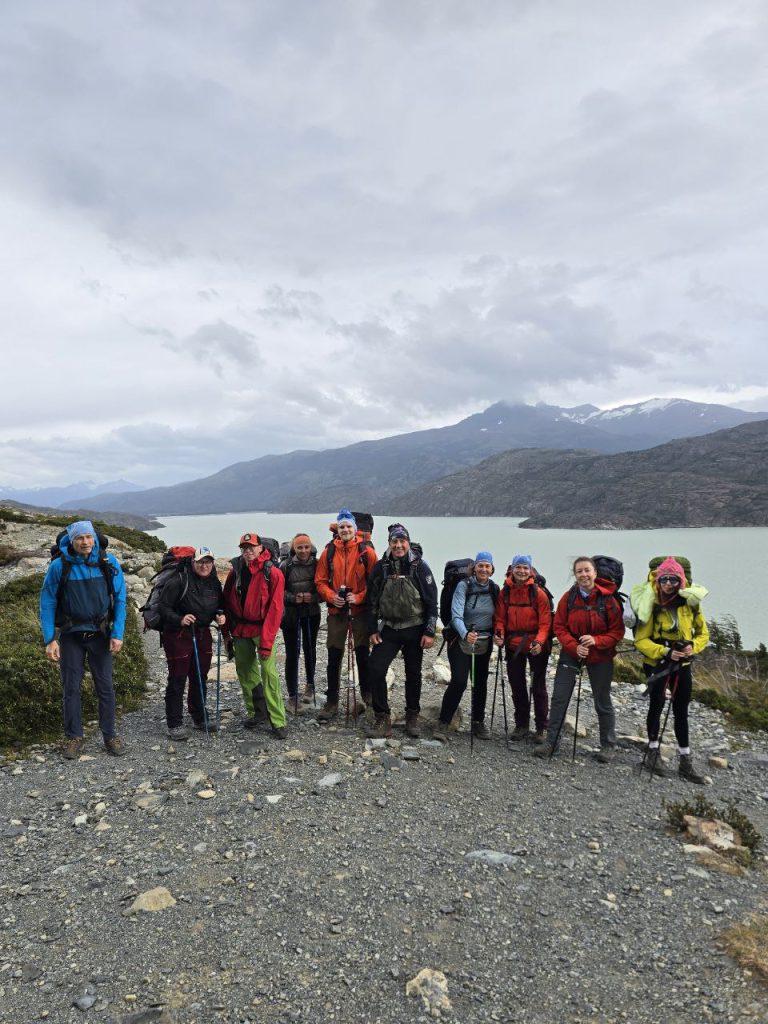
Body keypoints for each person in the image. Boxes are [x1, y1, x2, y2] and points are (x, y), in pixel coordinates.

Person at [39, 520, 128, 759]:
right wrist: (50, 639)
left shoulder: (108, 562)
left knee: (105, 687)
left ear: (95, 538)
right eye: (80, 538)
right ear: (72, 541)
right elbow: (47, 602)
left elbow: (120, 598)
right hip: (71, 636)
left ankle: (110, 735)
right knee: (71, 688)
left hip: (100, 634)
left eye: (89, 537)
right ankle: (73, 737)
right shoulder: (59, 566)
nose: (85, 542)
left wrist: (117, 633)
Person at [534, 556, 624, 763]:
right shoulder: (569, 598)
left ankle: (608, 745)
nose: (584, 575)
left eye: (587, 570)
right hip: (572, 652)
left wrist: (596, 641)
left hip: (600, 655)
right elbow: (559, 626)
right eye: (579, 571)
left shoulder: (608, 599)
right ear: (574, 575)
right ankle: (551, 743)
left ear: (595, 573)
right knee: (560, 697)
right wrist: (574, 647)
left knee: (602, 700)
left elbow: (617, 632)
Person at [634, 557, 709, 783]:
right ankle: (652, 753)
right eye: (664, 579)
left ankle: (685, 760)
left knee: (681, 711)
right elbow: (640, 640)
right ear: (658, 580)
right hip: (658, 664)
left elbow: (703, 633)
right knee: (656, 705)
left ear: (681, 581)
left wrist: (692, 646)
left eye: (673, 580)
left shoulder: (690, 603)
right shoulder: (652, 604)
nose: (668, 584)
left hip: (682, 665)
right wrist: (665, 652)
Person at [365, 523, 438, 738]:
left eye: (402, 541)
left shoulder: (420, 567)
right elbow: (372, 601)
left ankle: (412, 716)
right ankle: (382, 717)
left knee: (413, 673)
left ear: (408, 542)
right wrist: (372, 629)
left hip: (415, 628)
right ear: (389, 543)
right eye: (394, 541)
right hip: (389, 628)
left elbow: (432, 602)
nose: (398, 545)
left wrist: (429, 632)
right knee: (375, 668)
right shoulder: (381, 567)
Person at [223, 532, 287, 739]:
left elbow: (275, 610)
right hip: (241, 629)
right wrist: (226, 633)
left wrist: (267, 642)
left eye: (251, 547)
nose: (248, 551)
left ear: (261, 548)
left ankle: (278, 720)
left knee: (269, 673)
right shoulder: (236, 571)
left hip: (262, 630)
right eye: (244, 548)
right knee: (245, 671)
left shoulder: (273, 573)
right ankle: (257, 712)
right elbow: (226, 602)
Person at [314, 510, 377, 721]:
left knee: (363, 654)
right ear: (338, 529)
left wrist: (358, 597)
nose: (345, 530)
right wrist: (332, 597)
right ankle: (332, 701)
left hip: (360, 611)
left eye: (349, 526)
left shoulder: (367, 552)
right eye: (342, 527)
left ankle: (368, 697)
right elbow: (320, 581)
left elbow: (375, 583)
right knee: (334, 655)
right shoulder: (329, 552)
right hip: (336, 611)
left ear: (355, 529)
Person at [158, 546, 227, 740]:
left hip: (203, 633)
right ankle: (174, 723)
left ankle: (199, 716)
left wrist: (220, 616)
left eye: (208, 562)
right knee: (178, 678)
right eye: (201, 562)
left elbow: (220, 606)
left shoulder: (214, 583)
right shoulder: (179, 580)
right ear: (193, 562)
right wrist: (180, 619)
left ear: (212, 563)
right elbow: (163, 608)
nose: (205, 566)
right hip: (178, 634)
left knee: (200, 676)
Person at [433, 552, 498, 743]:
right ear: (474, 568)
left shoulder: (494, 589)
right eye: (480, 565)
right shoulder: (463, 585)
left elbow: (499, 615)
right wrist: (465, 633)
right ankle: (443, 722)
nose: (483, 569)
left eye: (487, 566)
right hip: (460, 639)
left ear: (492, 569)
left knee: (480, 682)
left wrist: (499, 633)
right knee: (459, 681)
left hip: (484, 640)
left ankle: (478, 722)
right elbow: (456, 615)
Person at [493, 554, 552, 743]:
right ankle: (522, 725)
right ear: (512, 569)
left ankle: (542, 728)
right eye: (518, 567)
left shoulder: (538, 593)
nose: (522, 571)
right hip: (513, 645)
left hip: (536, 645)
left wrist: (540, 642)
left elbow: (545, 623)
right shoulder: (505, 592)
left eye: (525, 568)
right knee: (517, 685)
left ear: (530, 570)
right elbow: (500, 618)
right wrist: (499, 634)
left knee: (538, 686)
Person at [280, 533, 321, 708]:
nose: (303, 551)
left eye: (306, 547)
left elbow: (324, 588)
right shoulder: (285, 566)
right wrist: (292, 598)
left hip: (312, 613)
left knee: (310, 650)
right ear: (294, 549)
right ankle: (292, 694)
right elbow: (278, 591)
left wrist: (313, 597)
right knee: (292, 653)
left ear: (311, 547)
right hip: (291, 614)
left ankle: (310, 685)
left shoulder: (318, 564)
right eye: (299, 547)